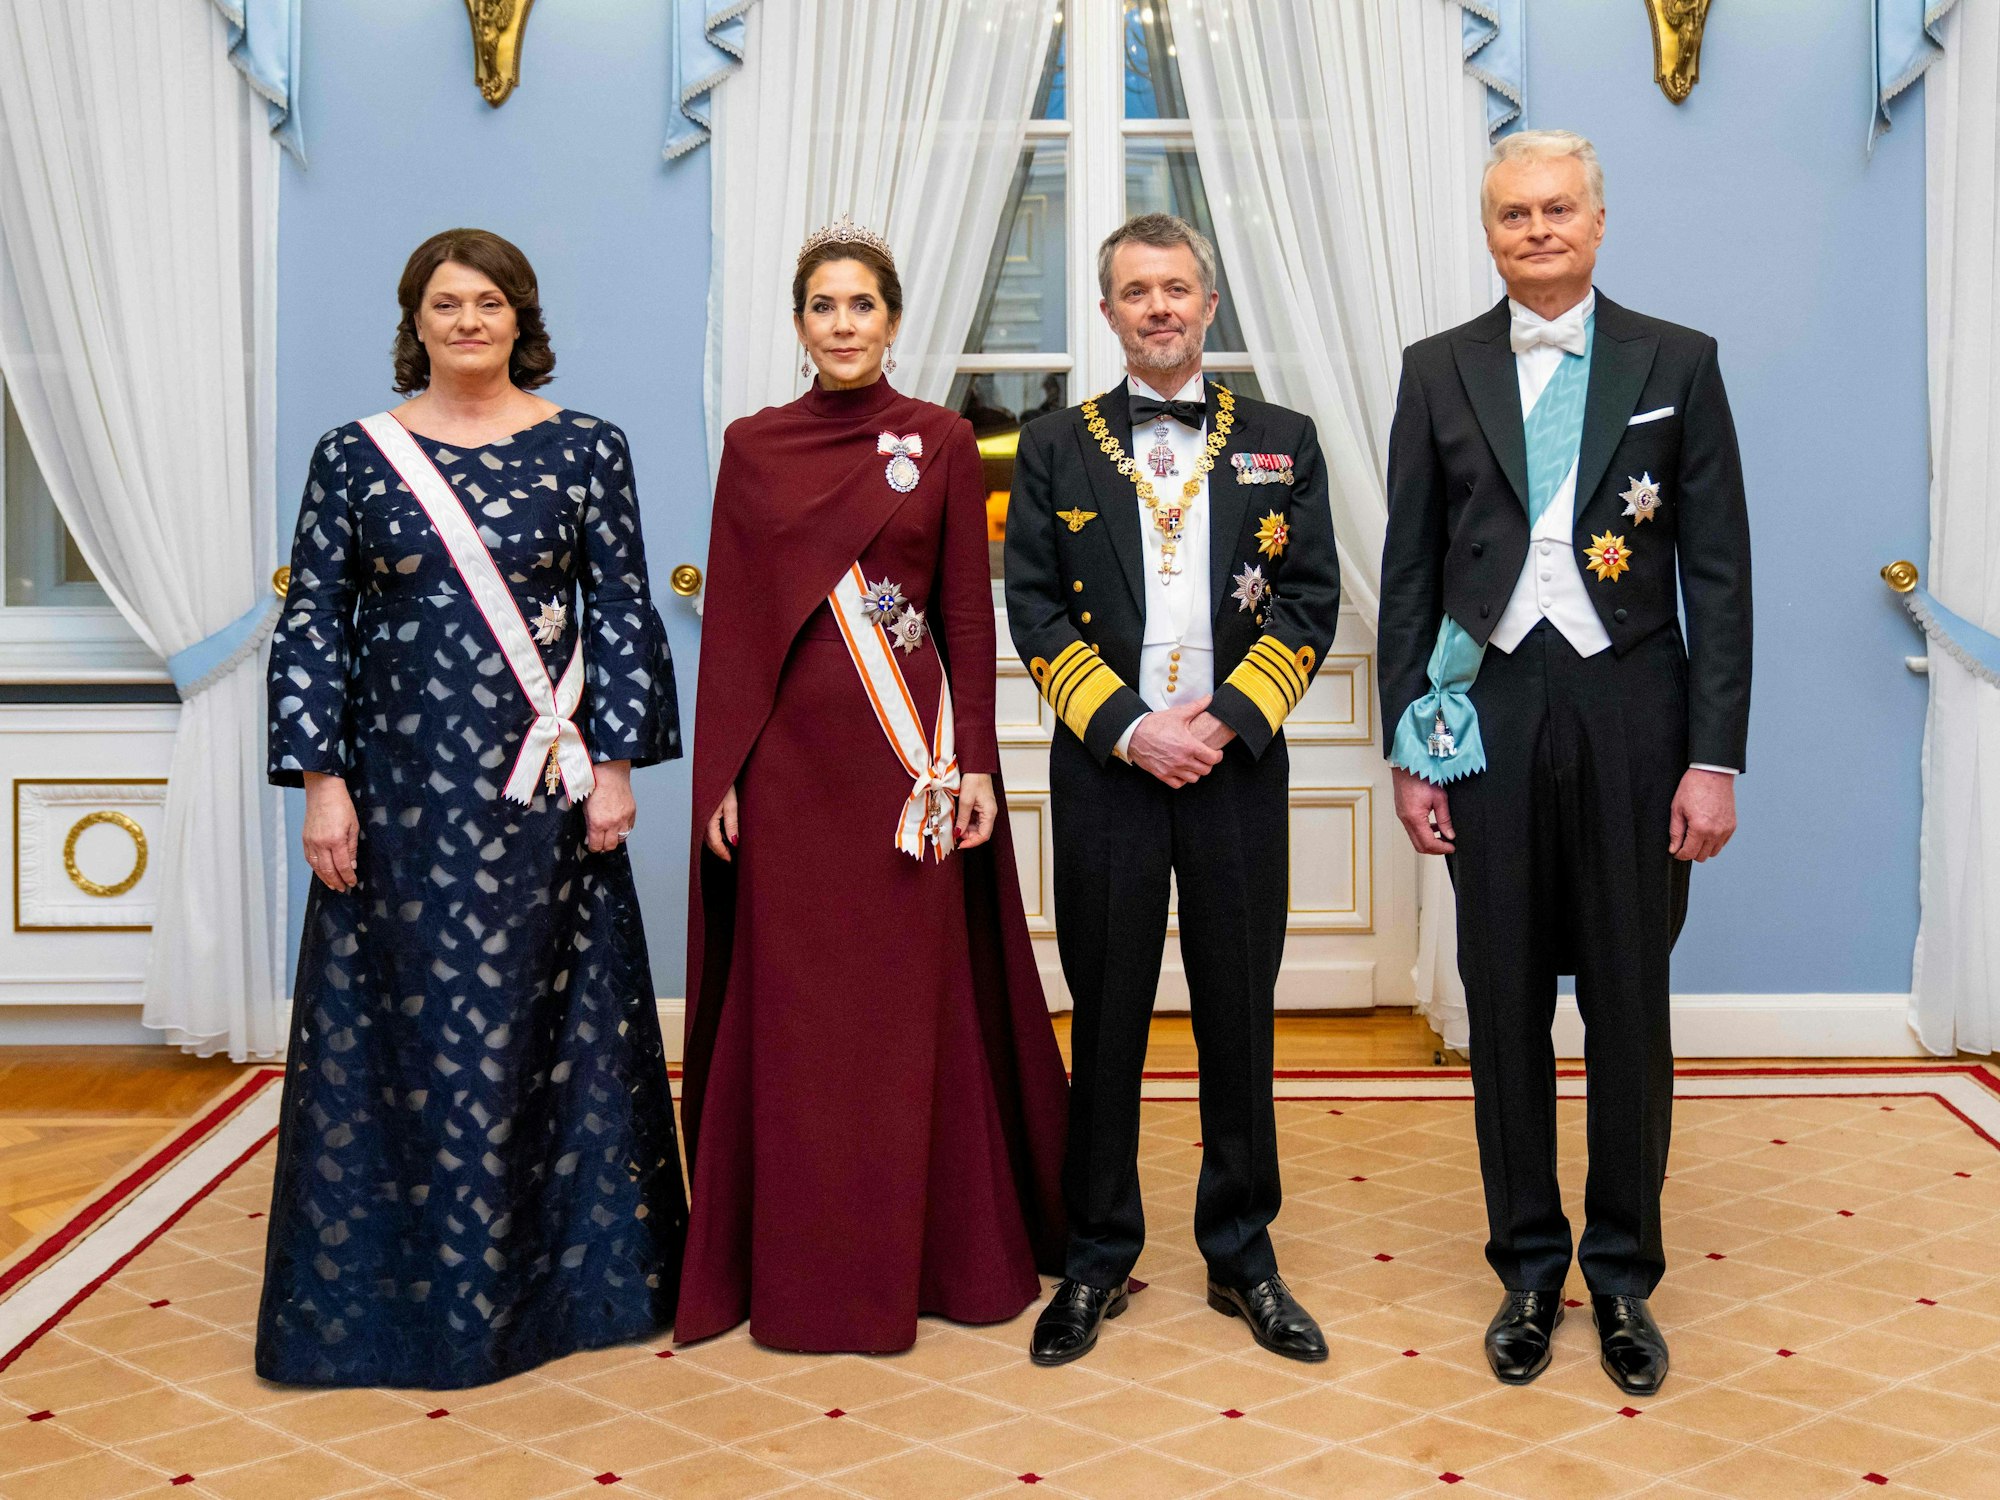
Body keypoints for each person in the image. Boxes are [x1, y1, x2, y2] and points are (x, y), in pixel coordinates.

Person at [259, 228, 685, 1388]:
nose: (466, 321)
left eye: (487, 301)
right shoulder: (354, 457)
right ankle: (401, 1295)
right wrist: (323, 786)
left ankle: (569, 1287)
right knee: (409, 1032)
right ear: (416, 319)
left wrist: (615, 766)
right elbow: (314, 630)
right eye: (444, 303)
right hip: (397, 798)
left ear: (519, 317)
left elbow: (624, 609)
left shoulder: (587, 446)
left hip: (540, 791)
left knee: (550, 1033)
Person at [1378, 130, 1752, 1397]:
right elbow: (1408, 576)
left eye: (1556, 210)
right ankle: (1528, 1270)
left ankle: (1625, 1276)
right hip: (1483, 713)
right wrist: (1408, 754)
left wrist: (1713, 760)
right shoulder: (1436, 370)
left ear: (1597, 221)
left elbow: (1719, 579)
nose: (1535, 230)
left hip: (1634, 716)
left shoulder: (1677, 363)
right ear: (1487, 233)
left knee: (1629, 1010)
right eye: (1510, 214)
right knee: (1501, 1008)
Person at [677, 217, 1068, 1354]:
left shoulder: (939, 438)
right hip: (793, 774)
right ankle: (798, 1267)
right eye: (821, 307)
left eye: (862, 306)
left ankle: (940, 1255)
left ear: (892, 321)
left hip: (912, 770)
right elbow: (740, 630)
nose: (842, 325)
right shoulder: (753, 446)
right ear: (797, 324)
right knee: (804, 1025)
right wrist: (723, 778)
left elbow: (960, 609)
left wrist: (980, 762)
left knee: (908, 1021)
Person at [1005, 213, 1342, 1367]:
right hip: (1107, 768)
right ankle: (1093, 1257)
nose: (1157, 307)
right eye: (1135, 291)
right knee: (1103, 1016)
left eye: (1176, 288)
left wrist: (1225, 722)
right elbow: (1034, 610)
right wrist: (1131, 729)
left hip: (1235, 766)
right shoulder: (1051, 445)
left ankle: (1242, 1256)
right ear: (1105, 313)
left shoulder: (1284, 439)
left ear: (1209, 306)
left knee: (1237, 1013)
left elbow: (1308, 601)